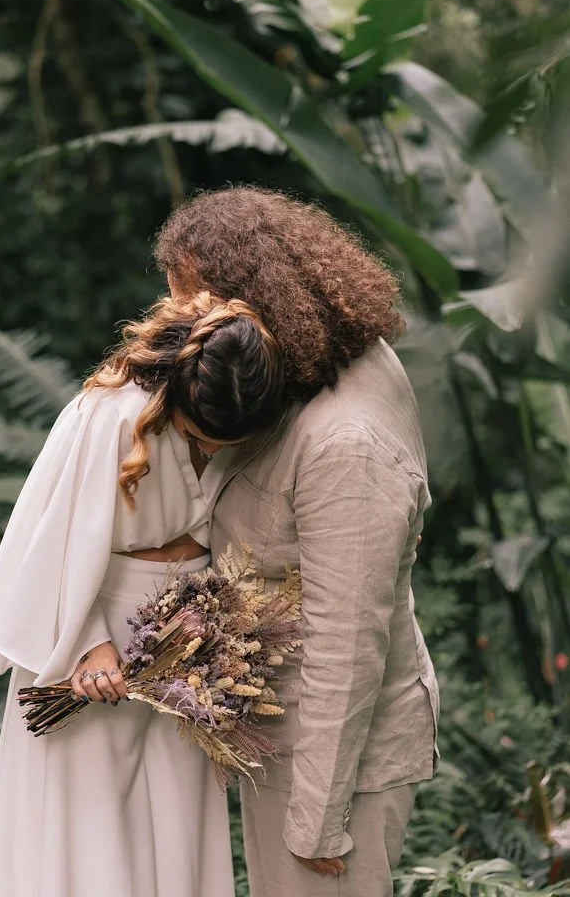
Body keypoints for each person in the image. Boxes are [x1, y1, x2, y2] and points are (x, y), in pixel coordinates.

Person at [156, 187, 440, 897]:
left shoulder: (347, 445)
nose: (185, 328)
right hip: (287, 739)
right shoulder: (310, 359)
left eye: (195, 307)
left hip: (335, 769)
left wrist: (316, 823)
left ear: (259, 297)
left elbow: (347, 642)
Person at [0, 291, 285, 897]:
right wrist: (88, 645)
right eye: (200, 435)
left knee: (172, 826)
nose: (212, 450)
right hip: (92, 635)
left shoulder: (246, 411)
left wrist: (210, 626)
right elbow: (50, 540)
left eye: (226, 444)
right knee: (88, 833)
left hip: (185, 649)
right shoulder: (108, 415)